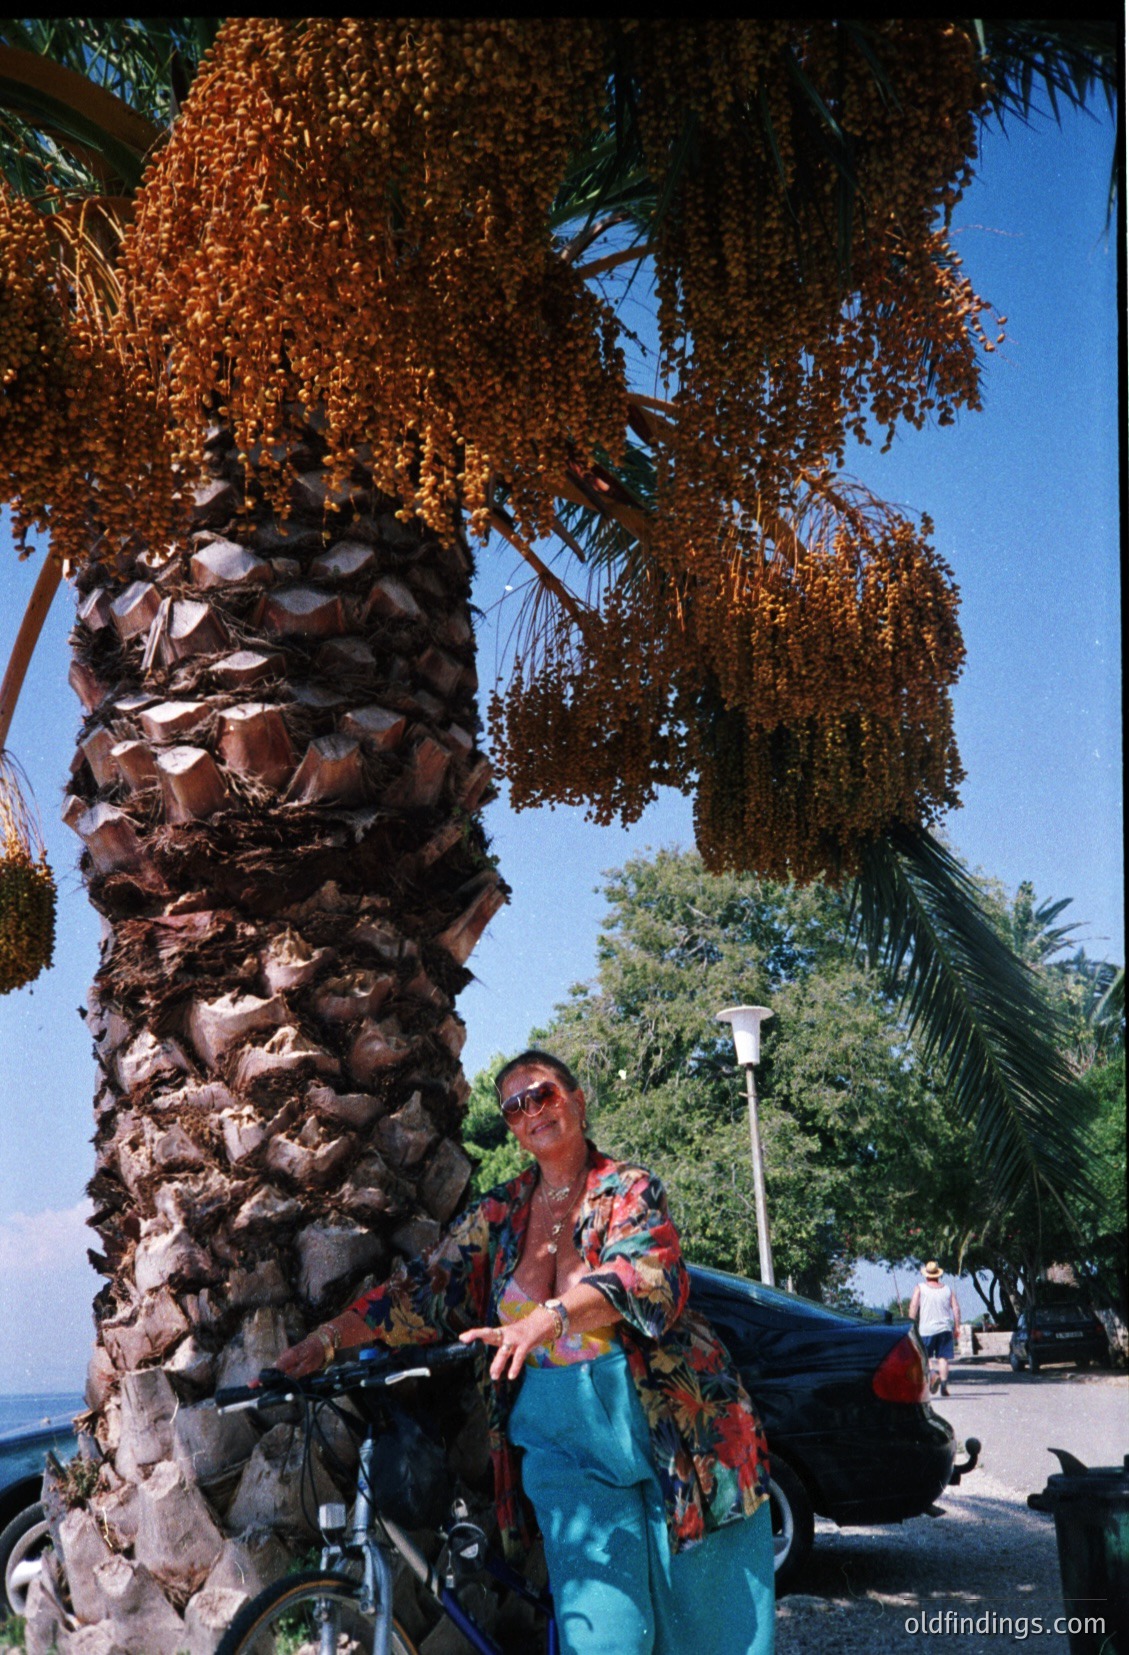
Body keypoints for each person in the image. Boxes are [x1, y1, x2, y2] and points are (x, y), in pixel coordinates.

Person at [277, 1049, 775, 1655]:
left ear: (578, 1101)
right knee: (604, 1639)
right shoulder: (499, 1213)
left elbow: (644, 1274)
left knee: (708, 1631)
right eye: (515, 1106)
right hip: (564, 1441)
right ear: (511, 1129)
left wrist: (550, 1316)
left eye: (543, 1095)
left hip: (678, 1429)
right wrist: (326, 1340)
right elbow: (419, 1291)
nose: (531, 1111)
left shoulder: (628, 1188)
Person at [909, 1260, 961, 1397]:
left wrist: (910, 1323)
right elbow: (956, 1309)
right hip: (944, 1329)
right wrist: (957, 1327)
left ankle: (932, 1374)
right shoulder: (948, 1289)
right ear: (938, 1274)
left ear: (926, 1275)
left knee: (925, 1357)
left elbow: (914, 1306)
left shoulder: (920, 1287)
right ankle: (944, 1385)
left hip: (926, 1330)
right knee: (943, 1358)